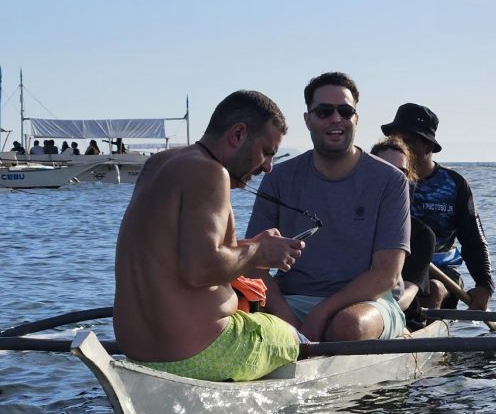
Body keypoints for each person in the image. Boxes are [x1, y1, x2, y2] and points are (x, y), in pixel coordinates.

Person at [113, 89, 304, 382]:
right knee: (294, 338)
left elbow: (178, 254)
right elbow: (201, 269)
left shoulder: (159, 163)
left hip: (138, 352)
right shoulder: (210, 172)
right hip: (200, 354)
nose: (268, 167)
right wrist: (260, 252)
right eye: (266, 152)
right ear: (238, 134)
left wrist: (251, 245)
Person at [245, 71, 411, 342]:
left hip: (369, 304)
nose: (336, 119)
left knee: (348, 327)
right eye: (324, 111)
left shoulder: (390, 180)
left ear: (356, 118)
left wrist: (321, 313)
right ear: (308, 120)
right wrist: (288, 322)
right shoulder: (277, 178)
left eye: (345, 111)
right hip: (290, 302)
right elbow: (254, 262)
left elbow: (386, 274)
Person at [382, 102, 494, 311]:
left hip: (442, 274)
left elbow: (474, 240)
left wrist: (484, 285)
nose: (401, 148)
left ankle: (422, 337)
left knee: (433, 289)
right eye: (395, 140)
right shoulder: (381, 178)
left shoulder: (455, 184)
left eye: (408, 141)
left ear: (428, 146)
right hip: (391, 266)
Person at [370, 136, 436, 321]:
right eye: (385, 170)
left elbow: (405, 297)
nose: (393, 179)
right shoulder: (349, 220)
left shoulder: (422, 234)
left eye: (401, 173)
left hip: (399, 315)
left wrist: (371, 310)